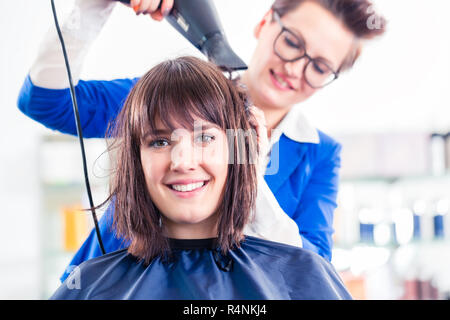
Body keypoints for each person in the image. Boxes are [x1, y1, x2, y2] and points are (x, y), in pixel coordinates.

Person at [17, 0, 386, 281]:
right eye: (292, 42)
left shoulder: (318, 155)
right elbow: (46, 101)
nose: (295, 68)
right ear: (264, 24)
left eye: (319, 67)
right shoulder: (170, 97)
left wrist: (248, 169)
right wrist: (95, 4)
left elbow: (311, 273)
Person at [50, 56, 352, 299]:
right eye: (159, 142)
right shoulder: (89, 285)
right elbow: (42, 100)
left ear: (240, 150)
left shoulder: (303, 274)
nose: (182, 162)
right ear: (136, 160)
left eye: (205, 138)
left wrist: (251, 178)